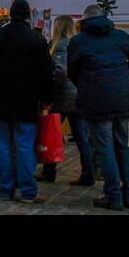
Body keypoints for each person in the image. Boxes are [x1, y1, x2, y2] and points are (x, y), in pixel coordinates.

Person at [68, 3, 129, 210]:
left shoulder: (78, 41)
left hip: (97, 100)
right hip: (122, 97)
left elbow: (72, 71)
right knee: (122, 145)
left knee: (105, 148)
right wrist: (124, 75)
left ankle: (113, 196)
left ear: (84, 22)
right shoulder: (119, 36)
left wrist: (86, 84)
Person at [0, 0, 54, 203]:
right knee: (24, 145)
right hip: (26, 101)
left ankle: (5, 189)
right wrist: (47, 98)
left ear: (11, 15)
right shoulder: (36, 39)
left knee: (3, 145)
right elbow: (45, 73)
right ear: (28, 17)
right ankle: (28, 191)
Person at [38, 15, 95, 187]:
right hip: (77, 95)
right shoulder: (76, 44)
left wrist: (49, 91)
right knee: (80, 137)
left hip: (64, 97)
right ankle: (88, 173)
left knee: (53, 134)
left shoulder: (61, 45)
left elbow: (59, 71)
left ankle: (49, 171)